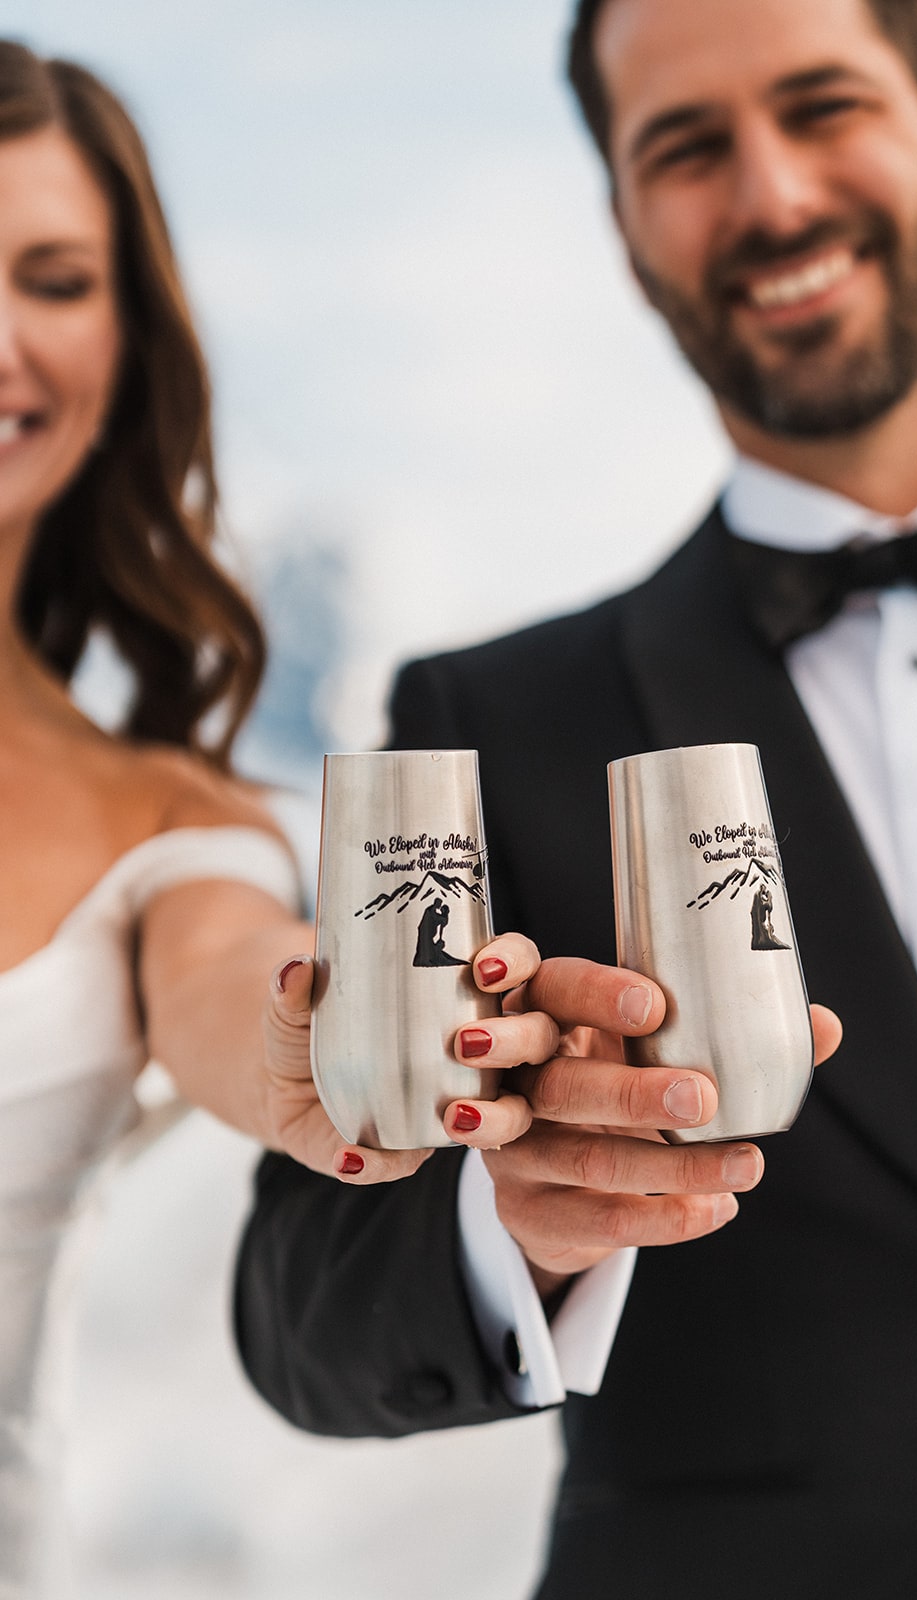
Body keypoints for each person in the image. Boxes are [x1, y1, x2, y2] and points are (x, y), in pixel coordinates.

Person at [235, 1, 917, 1596]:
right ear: (627, 235)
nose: (770, 195)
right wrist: (518, 1225)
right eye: (686, 148)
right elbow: (300, 1308)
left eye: (822, 106)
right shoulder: (477, 722)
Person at [0, 41, 552, 1596]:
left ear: (127, 345)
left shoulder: (165, 826)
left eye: (52, 277)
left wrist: (338, 1054)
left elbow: (245, 985)